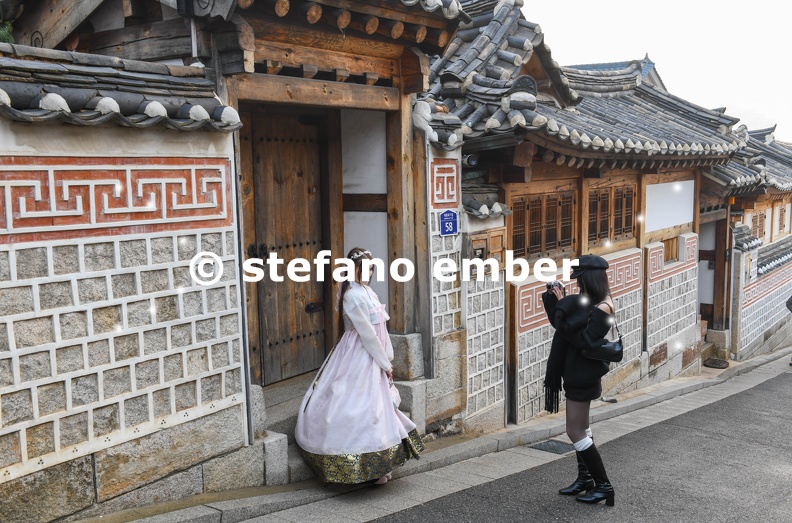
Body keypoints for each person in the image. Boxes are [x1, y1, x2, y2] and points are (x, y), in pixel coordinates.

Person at [295, 247, 424, 485]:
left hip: (373, 355)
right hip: (358, 355)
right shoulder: (351, 295)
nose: (369, 273)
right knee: (358, 407)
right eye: (365, 269)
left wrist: (387, 356)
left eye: (371, 269)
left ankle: (379, 465)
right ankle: (360, 464)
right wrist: (384, 361)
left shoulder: (367, 291)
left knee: (378, 409)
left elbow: (380, 329)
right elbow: (367, 334)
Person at [542, 254, 617, 506]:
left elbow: (583, 340)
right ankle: (585, 479)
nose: (577, 284)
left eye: (580, 280)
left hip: (583, 375)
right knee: (582, 427)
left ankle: (604, 486)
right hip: (577, 372)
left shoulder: (604, 307)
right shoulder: (590, 302)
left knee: (574, 430)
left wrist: (564, 303)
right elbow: (563, 326)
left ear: (590, 279)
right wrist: (558, 301)